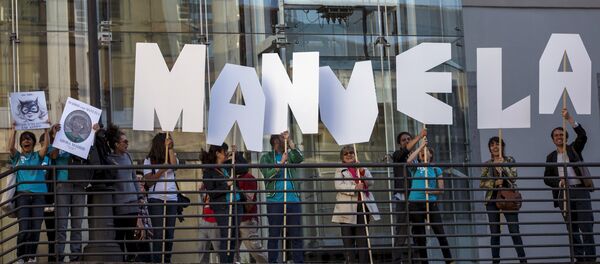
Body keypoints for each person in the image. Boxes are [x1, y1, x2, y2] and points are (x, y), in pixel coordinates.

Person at [543, 109, 595, 263]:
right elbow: (546, 178)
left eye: (561, 134)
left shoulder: (573, 148)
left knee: (586, 226)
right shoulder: (551, 157)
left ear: (566, 137)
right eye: (556, 135)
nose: (559, 137)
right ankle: (579, 258)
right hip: (563, 194)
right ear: (553, 139)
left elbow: (583, 136)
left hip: (580, 191)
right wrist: (558, 182)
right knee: (572, 230)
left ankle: (591, 259)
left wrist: (570, 119)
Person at [7, 121, 51, 263]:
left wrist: (46, 130)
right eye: (24, 138)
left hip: (39, 196)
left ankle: (31, 258)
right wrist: (14, 130)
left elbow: (46, 147)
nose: (26, 140)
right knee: (24, 228)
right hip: (23, 196)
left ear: (33, 143)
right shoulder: (18, 157)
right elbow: (10, 147)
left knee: (36, 229)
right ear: (21, 144)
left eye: (29, 138)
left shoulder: (38, 156)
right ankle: (21, 257)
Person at [259, 131, 305, 263]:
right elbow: (267, 174)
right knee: (274, 234)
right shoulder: (266, 157)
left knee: (296, 235)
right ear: (275, 141)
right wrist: (281, 164)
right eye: (281, 138)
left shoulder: (290, 155)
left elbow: (300, 158)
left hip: (292, 200)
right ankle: (273, 261)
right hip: (275, 200)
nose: (284, 139)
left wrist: (291, 142)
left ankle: (298, 261)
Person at [480, 137, 526, 263]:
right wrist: (494, 182)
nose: (495, 147)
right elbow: (482, 183)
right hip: (492, 201)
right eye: (492, 145)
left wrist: (502, 166)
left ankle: (523, 260)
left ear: (502, 147)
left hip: (509, 199)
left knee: (514, 231)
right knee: (495, 233)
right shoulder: (486, 164)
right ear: (489, 148)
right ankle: (496, 261)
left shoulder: (509, 160)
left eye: (498, 144)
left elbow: (514, 177)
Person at [332, 145, 380, 264]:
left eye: (351, 152)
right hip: (346, 210)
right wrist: (354, 187)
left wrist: (362, 170)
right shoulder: (340, 169)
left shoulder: (361, 167)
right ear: (342, 157)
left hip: (362, 208)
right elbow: (338, 186)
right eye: (346, 153)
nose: (349, 155)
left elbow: (371, 182)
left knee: (362, 242)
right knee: (348, 242)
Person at [407, 142, 453, 264]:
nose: (423, 152)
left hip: (430, 203)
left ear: (431, 154)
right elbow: (409, 161)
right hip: (414, 203)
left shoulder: (435, 169)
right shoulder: (416, 167)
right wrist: (421, 147)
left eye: (426, 150)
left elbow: (441, 190)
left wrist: (431, 190)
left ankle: (449, 261)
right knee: (420, 236)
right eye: (421, 151)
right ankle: (424, 262)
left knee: (440, 233)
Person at [47, 124, 86, 262]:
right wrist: (57, 138)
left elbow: (88, 155)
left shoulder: (81, 140)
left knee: (77, 223)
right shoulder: (57, 142)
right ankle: (59, 256)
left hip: (79, 184)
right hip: (62, 184)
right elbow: (53, 155)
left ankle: (75, 255)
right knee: (61, 224)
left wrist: (91, 131)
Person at [105, 124, 144, 262]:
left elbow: (134, 177)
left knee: (132, 236)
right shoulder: (110, 159)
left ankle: (132, 259)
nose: (127, 144)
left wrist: (139, 196)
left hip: (132, 202)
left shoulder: (128, 156)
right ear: (116, 144)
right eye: (125, 141)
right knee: (120, 236)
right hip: (120, 204)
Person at [201, 143, 243, 263]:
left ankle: (230, 261)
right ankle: (226, 262)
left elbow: (244, 168)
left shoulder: (228, 165)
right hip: (223, 207)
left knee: (234, 237)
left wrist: (237, 154)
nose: (227, 154)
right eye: (225, 152)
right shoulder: (208, 171)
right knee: (226, 237)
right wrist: (226, 185)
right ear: (218, 153)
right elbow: (212, 192)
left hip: (236, 204)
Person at [391, 128, 427, 263]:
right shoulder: (397, 155)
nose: (406, 141)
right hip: (403, 198)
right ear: (400, 144)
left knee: (418, 233)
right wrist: (420, 136)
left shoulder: (418, 157)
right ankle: (397, 261)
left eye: (408, 139)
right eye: (403, 140)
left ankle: (419, 261)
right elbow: (405, 152)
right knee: (401, 233)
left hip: (417, 199)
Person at [143, 133, 179, 263]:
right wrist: (161, 170)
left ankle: (167, 260)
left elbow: (175, 167)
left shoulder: (172, 156)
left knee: (169, 234)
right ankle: (157, 261)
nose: (169, 143)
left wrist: (170, 150)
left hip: (172, 199)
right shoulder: (148, 160)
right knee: (159, 234)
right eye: (167, 142)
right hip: (156, 199)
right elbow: (149, 181)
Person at [229, 149, 268, 263]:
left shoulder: (249, 178)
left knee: (255, 250)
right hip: (236, 219)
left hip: (246, 219)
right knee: (232, 253)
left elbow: (249, 204)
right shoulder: (235, 179)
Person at [197, 182, 220, 264]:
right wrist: (201, 190)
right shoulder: (206, 186)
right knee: (202, 249)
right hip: (204, 220)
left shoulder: (219, 184)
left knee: (219, 250)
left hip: (215, 222)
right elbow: (203, 202)